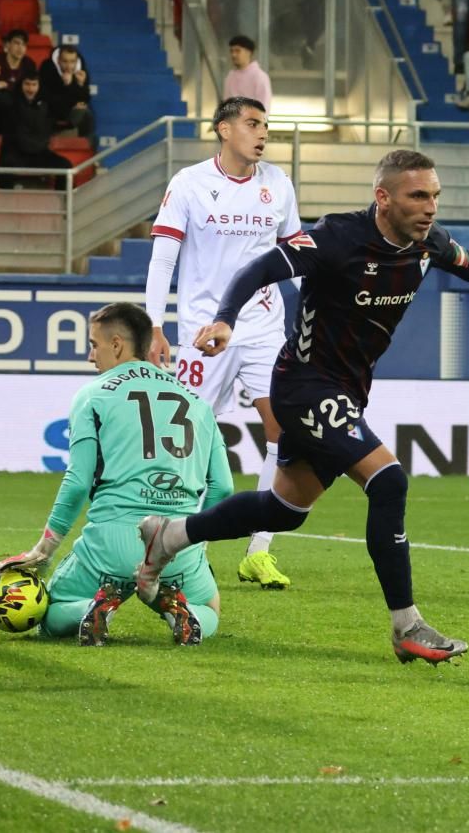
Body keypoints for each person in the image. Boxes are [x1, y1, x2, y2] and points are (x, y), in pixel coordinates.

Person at [133, 149, 469, 664]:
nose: (430, 207)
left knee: (284, 511)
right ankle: (407, 626)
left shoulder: (427, 242)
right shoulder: (336, 238)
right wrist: (226, 318)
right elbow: (260, 268)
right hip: (304, 385)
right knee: (388, 481)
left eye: (435, 196)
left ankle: (170, 535)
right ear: (383, 197)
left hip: (347, 391)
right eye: (418, 196)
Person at [0, 303, 231, 646]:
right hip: (175, 543)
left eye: (94, 344)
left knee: (51, 611)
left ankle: (91, 608)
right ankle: (177, 610)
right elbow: (222, 486)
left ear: (117, 344)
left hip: (111, 544)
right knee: (208, 609)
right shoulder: (198, 403)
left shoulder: (92, 395)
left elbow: (77, 483)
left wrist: (44, 551)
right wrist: (193, 541)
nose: (91, 356)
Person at [145, 96, 299, 590]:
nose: (263, 133)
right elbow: (163, 259)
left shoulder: (278, 184)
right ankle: (185, 546)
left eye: (266, 125)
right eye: (252, 123)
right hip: (203, 332)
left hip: (264, 329)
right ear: (223, 129)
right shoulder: (189, 184)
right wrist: (154, 324)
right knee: (187, 440)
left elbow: (297, 258)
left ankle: (259, 550)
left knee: (285, 433)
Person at [222, 35, 270, 108]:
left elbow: (264, 107)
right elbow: (226, 105)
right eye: (231, 51)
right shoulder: (230, 76)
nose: (233, 55)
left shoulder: (260, 76)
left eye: (237, 51)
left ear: (249, 52)